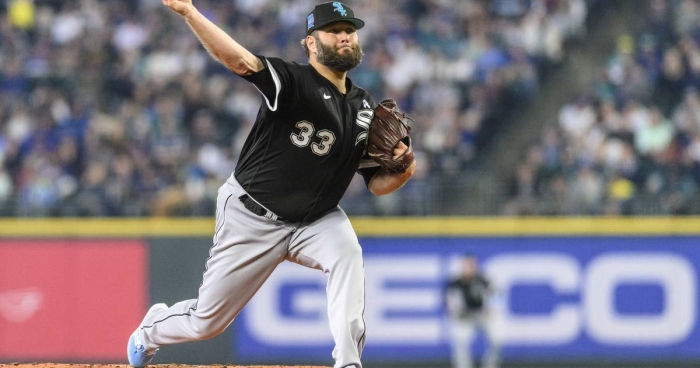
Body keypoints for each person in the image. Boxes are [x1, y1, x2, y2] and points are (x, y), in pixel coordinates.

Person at [126, 1, 416, 368]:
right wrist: (190, 13)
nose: (344, 36)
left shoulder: (364, 106)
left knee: (348, 255)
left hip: (316, 220)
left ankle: (348, 363)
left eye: (350, 30)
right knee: (207, 322)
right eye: (334, 31)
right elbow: (240, 62)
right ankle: (151, 329)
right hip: (253, 215)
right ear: (311, 43)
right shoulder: (293, 81)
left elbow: (376, 184)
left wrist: (404, 170)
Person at [444, 254, 501, 368]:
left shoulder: (482, 280)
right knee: (460, 340)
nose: (469, 267)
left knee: (497, 337)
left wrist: (491, 308)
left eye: (472, 264)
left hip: (482, 315)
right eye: (467, 264)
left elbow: (496, 295)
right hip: (464, 317)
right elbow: (451, 305)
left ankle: (490, 364)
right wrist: (458, 314)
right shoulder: (455, 283)